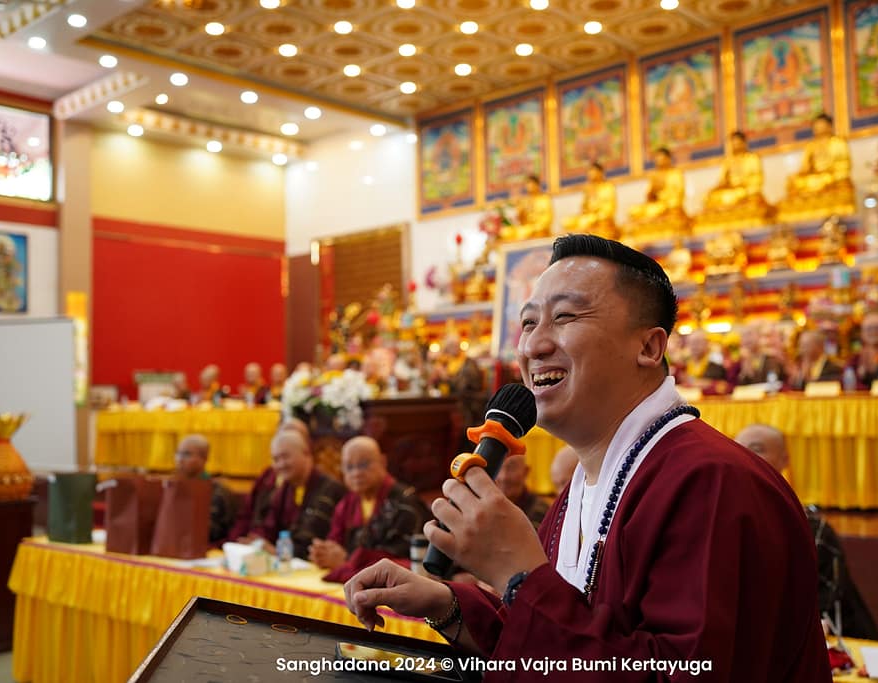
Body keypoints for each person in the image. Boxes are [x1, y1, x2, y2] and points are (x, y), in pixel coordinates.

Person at [344, 234, 830, 682]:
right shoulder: (587, 481)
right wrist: (449, 606)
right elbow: (559, 647)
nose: (534, 345)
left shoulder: (710, 481)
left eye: (565, 317)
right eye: (528, 322)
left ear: (649, 346)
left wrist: (519, 576)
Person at [735, 424, 878, 640]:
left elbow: (820, 607)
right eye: (737, 448)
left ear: (785, 460)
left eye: (757, 449)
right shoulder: (724, 516)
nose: (744, 456)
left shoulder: (812, 529)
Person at [309, 436, 428, 571]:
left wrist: (347, 561)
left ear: (382, 462)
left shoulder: (406, 503)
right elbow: (335, 540)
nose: (356, 473)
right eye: (349, 467)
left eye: (364, 464)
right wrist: (324, 552)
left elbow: (407, 561)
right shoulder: (348, 503)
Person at [245, 430, 346, 558]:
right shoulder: (284, 490)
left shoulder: (329, 489)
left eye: (285, 457)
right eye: (276, 459)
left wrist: (278, 551)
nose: (281, 464)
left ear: (306, 453)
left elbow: (311, 540)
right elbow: (269, 528)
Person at [227, 418, 312, 542]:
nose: (285, 442)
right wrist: (235, 540)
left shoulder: (308, 481)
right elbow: (246, 513)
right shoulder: (267, 475)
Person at [174, 434, 237, 544]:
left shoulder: (217, 492)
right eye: (178, 453)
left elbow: (214, 532)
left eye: (187, 454)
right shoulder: (173, 487)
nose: (180, 459)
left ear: (204, 458)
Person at [561, 162, 618, 240]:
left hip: (600, 219)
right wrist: (584, 213)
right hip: (587, 217)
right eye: (590, 172)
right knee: (567, 222)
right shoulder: (588, 189)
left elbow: (608, 211)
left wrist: (594, 217)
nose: (591, 174)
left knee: (585, 223)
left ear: (600, 173)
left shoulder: (608, 187)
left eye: (594, 172)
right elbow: (583, 207)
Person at [495, 454, 549, 530]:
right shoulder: (484, 507)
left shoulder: (542, 513)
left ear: (526, 471)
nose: (503, 477)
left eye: (512, 468)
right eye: (498, 467)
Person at [674, 329, 728, 394]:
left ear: (707, 343)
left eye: (697, 342)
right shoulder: (683, 365)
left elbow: (721, 385)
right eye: (691, 343)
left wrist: (694, 383)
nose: (694, 346)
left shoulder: (716, 362)